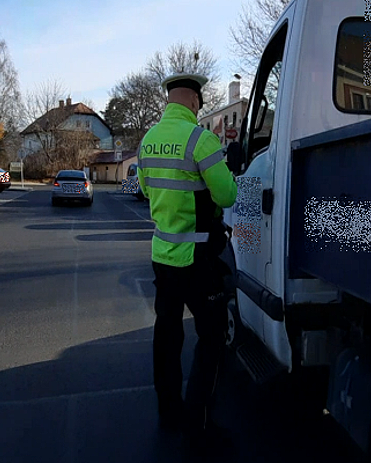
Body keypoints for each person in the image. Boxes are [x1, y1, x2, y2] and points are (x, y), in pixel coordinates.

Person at [137, 73, 238, 452]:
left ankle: (169, 412)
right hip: (198, 260)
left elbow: (147, 190)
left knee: (166, 335)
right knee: (211, 339)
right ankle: (199, 425)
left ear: (169, 101)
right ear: (194, 101)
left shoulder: (147, 141)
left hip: (163, 257)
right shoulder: (201, 140)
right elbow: (226, 195)